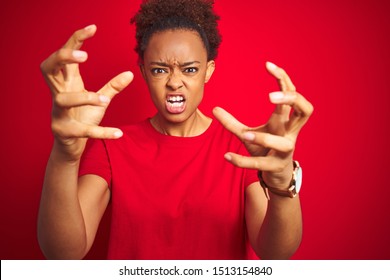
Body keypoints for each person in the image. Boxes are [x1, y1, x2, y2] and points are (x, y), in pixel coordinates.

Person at [38, 0, 313, 260]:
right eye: (159, 70)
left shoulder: (242, 148)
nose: (174, 82)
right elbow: (64, 253)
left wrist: (281, 186)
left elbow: (275, 254)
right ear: (144, 71)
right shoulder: (113, 144)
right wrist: (65, 155)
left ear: (208, 70)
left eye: (190, 69)